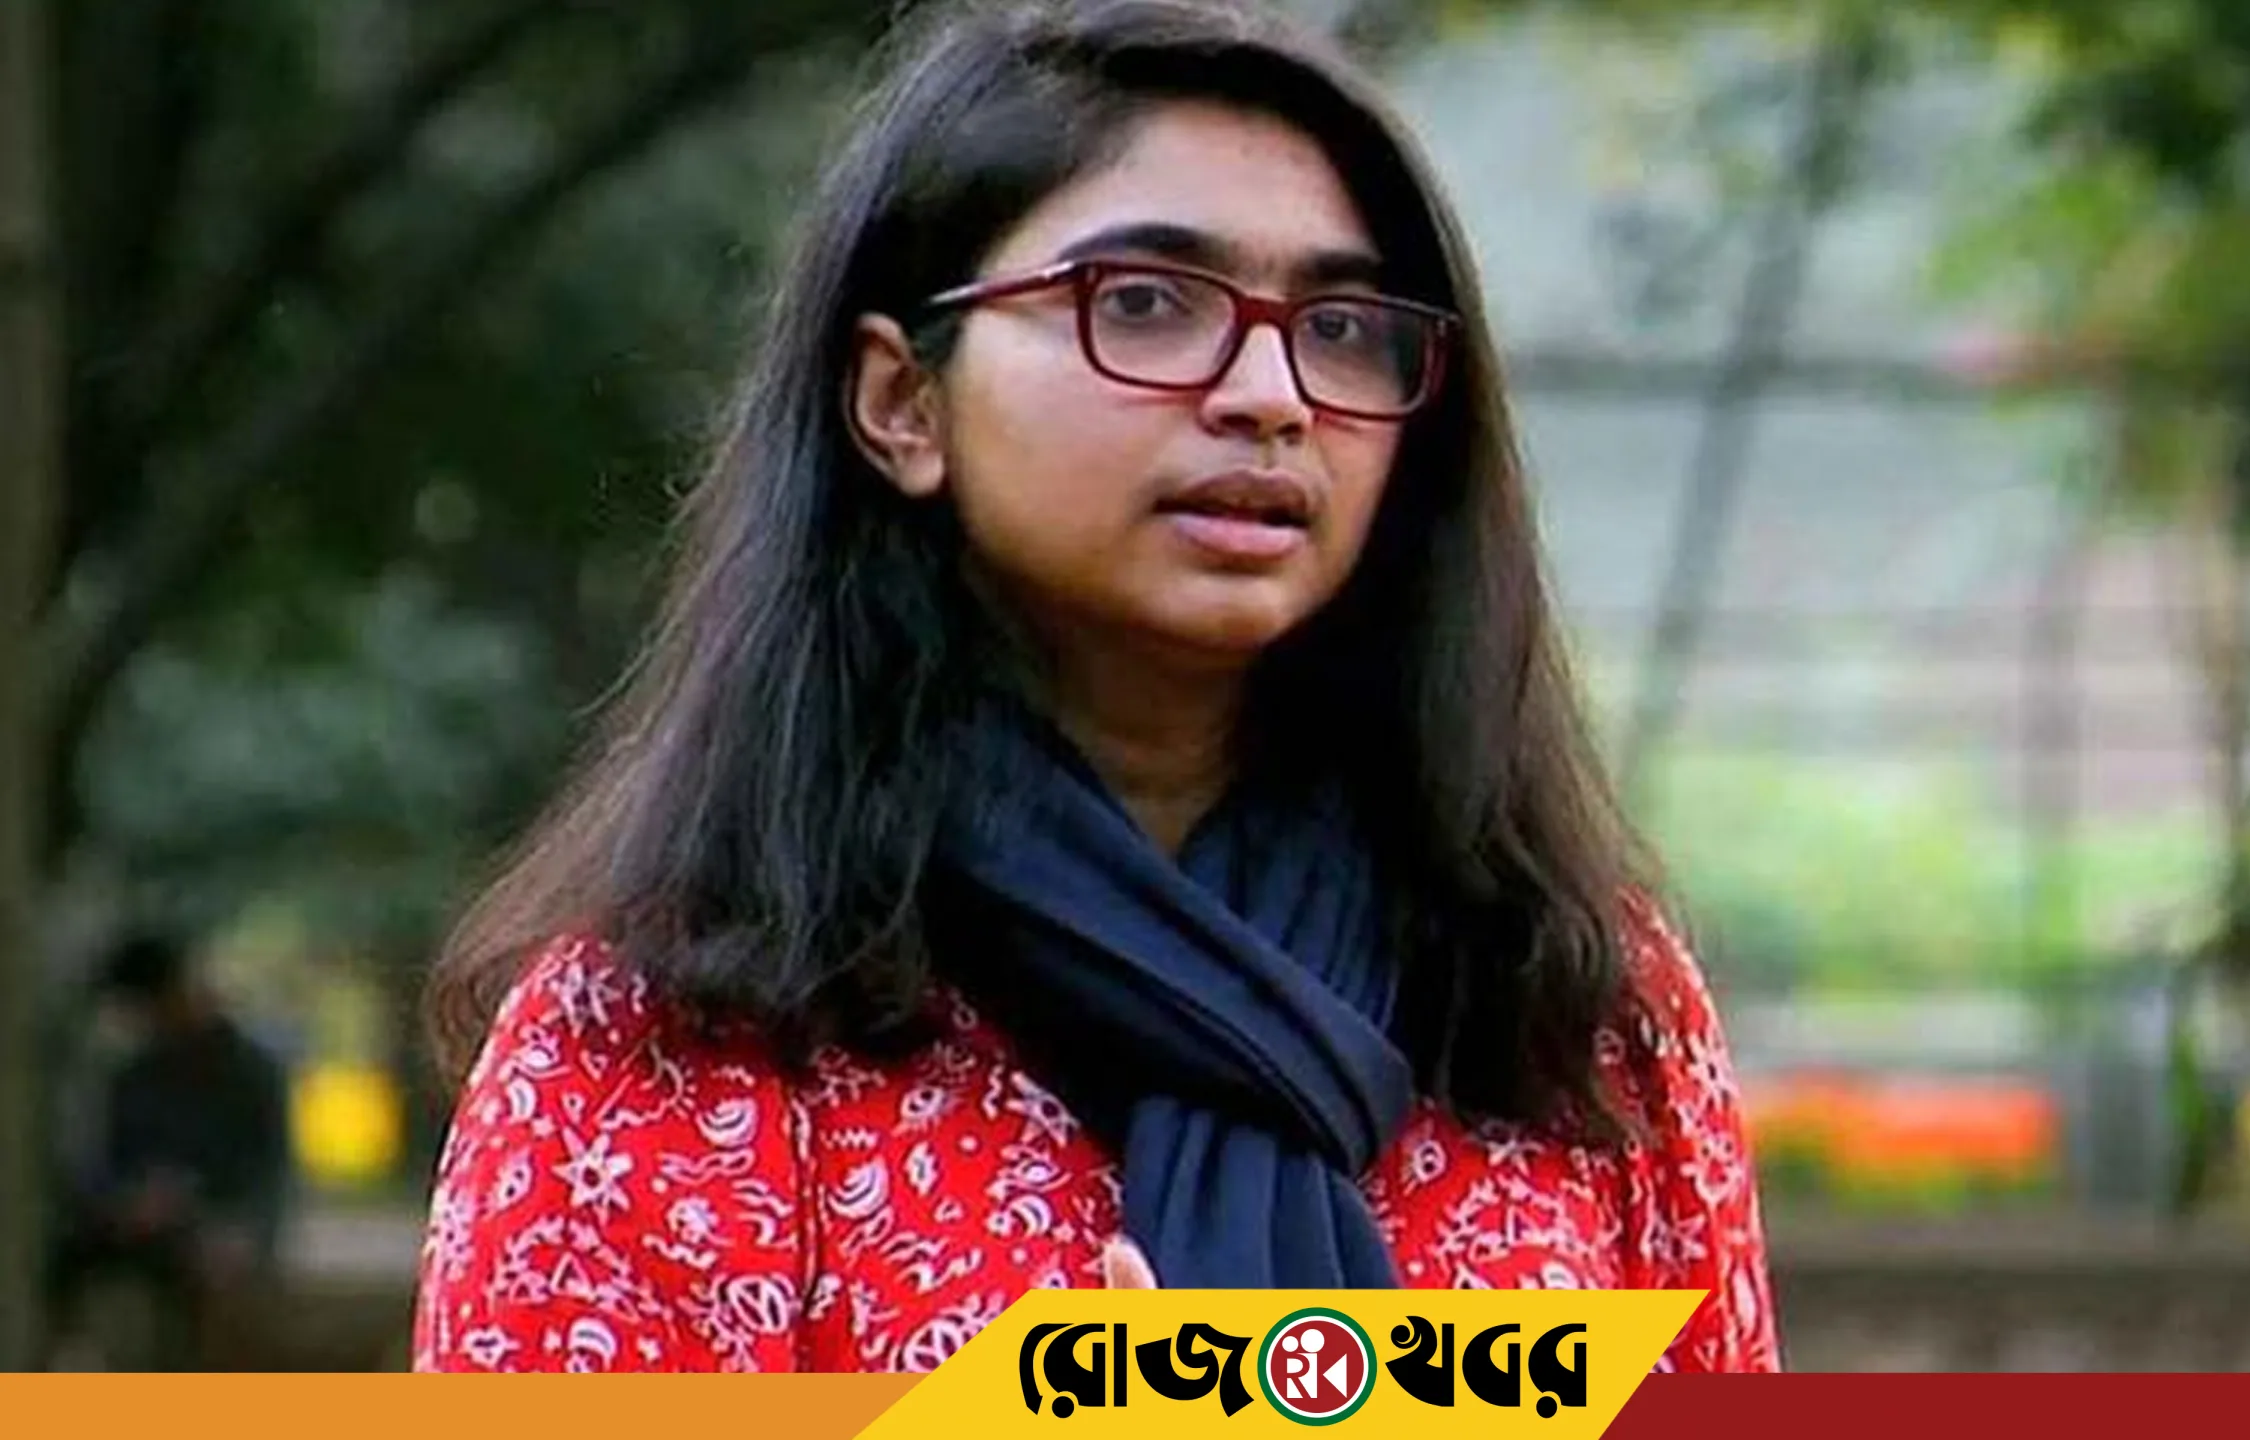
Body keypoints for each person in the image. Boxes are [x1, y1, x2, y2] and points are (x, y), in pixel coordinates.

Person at [410, 0, 1779, 1374]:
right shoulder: (661, 1042)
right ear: (901, 403)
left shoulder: (1575, 1008)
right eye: (1142, 304)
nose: (1270, 393)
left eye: (1345, 327)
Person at [51, 930, 292, 1370]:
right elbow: (103, 1169)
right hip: (147, 1232)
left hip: (222, 1227)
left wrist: (241, 1229)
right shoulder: (134, 1078)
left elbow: (268, 1175)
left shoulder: (249, 1073)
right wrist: (130, 1202)